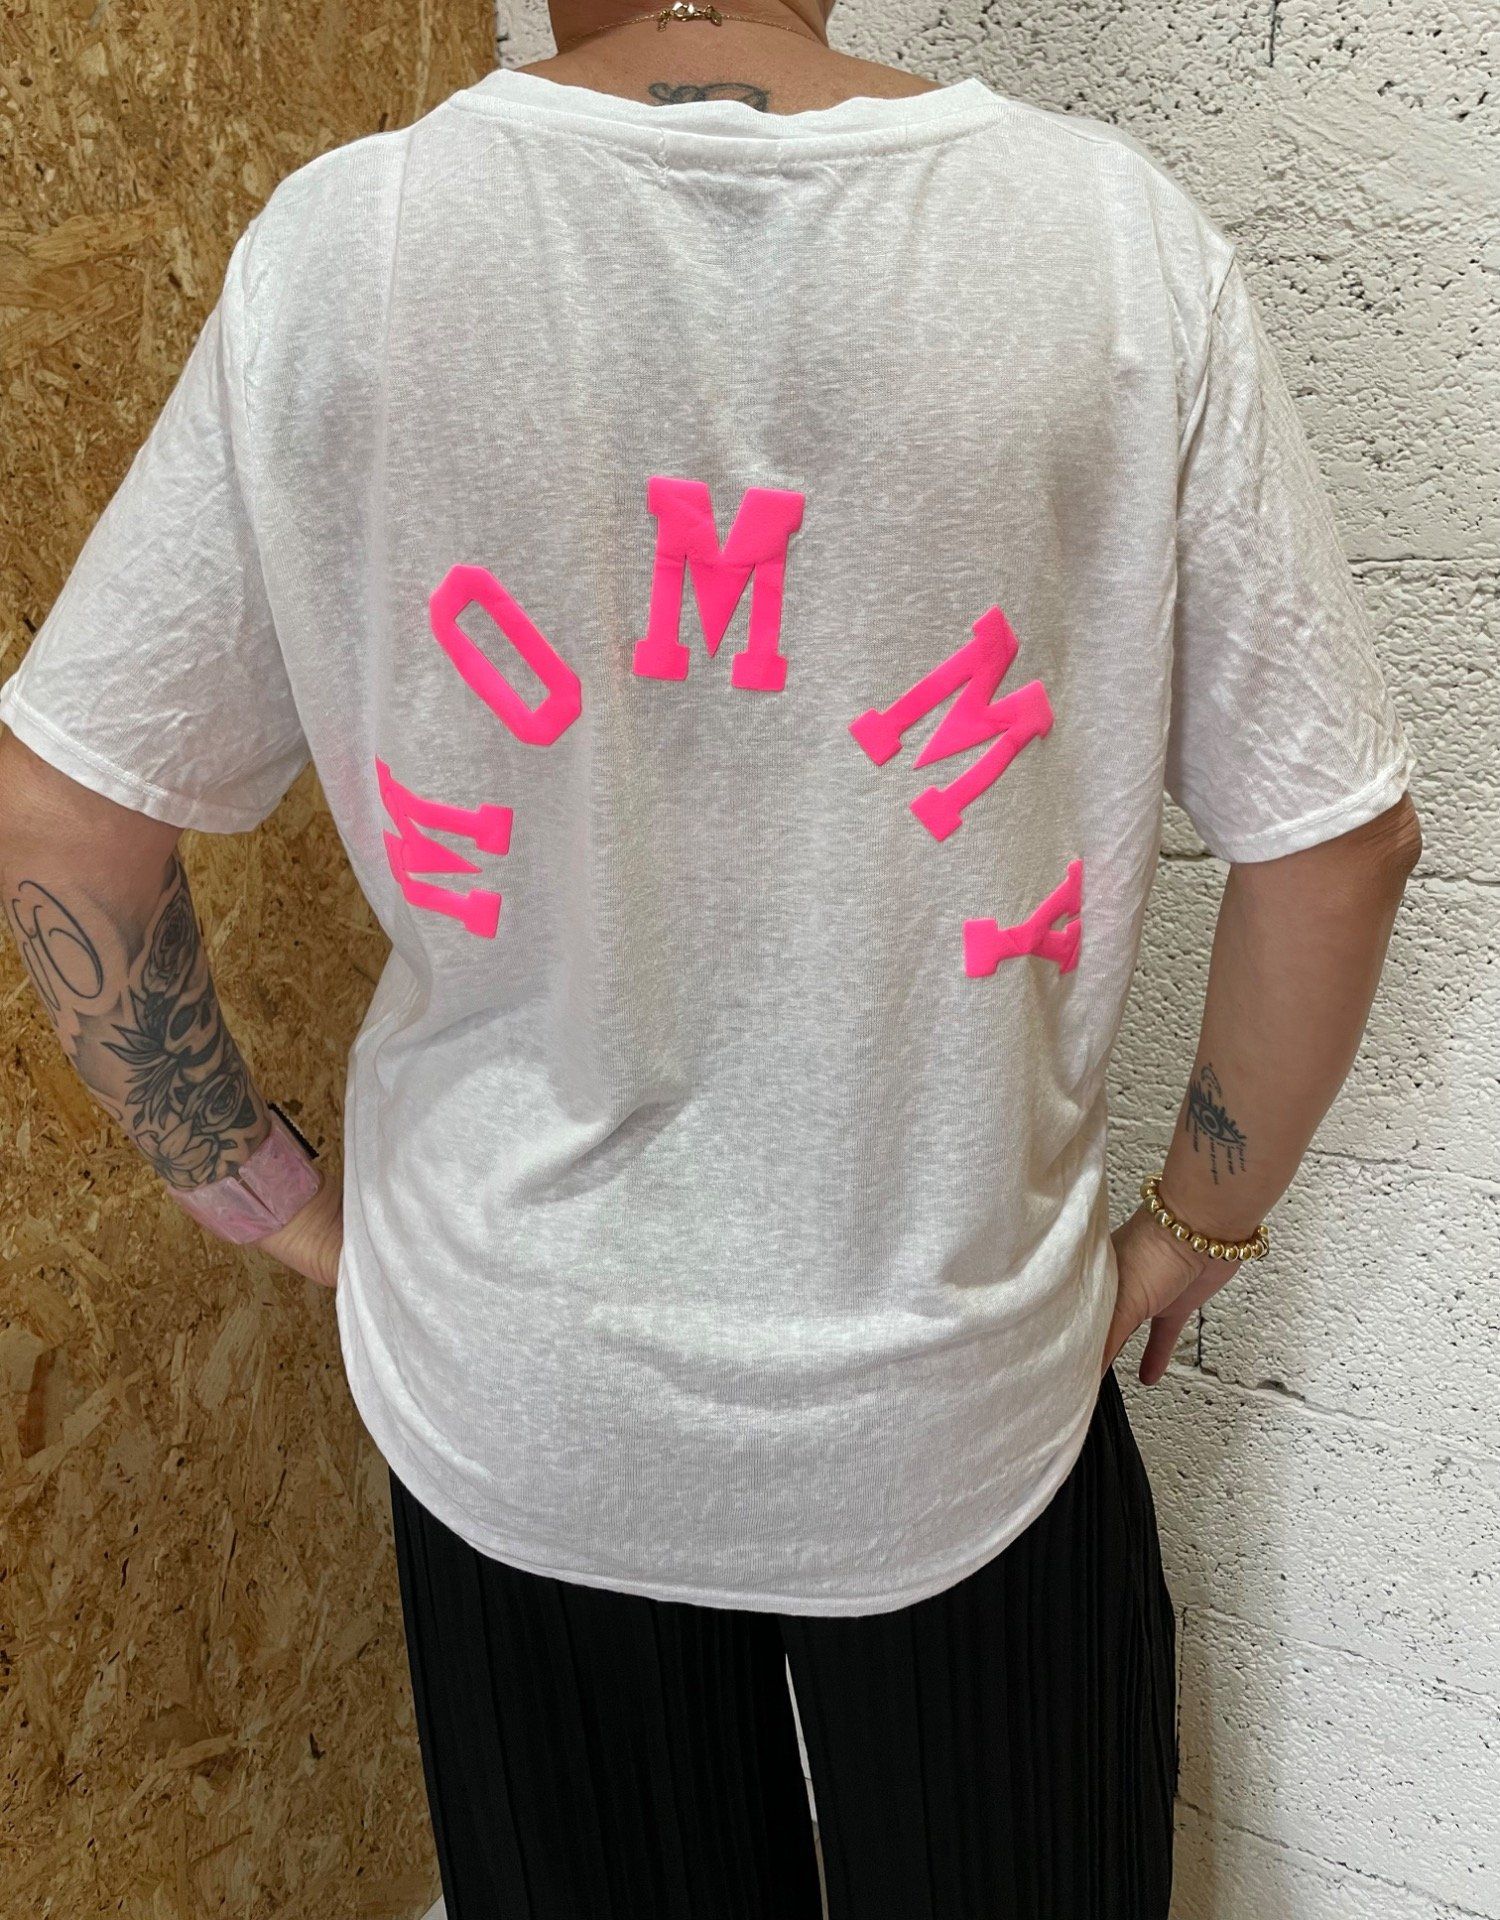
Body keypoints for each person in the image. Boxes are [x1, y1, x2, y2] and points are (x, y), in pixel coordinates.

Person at [0, 0, 1422, 1913]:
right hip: (954, 1397)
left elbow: (65, 820)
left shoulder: (350, 247)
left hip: (516, 1394)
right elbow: (1335, 851)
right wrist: (1197, 1227)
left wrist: (269, 1200)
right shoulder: (1108, 242)